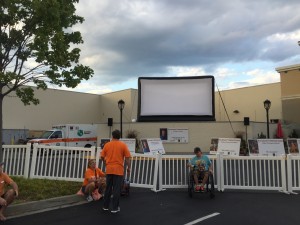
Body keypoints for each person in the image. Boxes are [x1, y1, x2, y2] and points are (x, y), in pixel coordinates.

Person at [101, 129, 131, 213]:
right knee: (116, 189)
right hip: (118, 170)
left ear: (112, 136)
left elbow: (102, 156)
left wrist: (105, 163)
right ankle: (115, 208)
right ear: (119, 136)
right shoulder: (123, 145)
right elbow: (127, 158)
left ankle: (105, 206)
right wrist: (129, 167)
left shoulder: (107, 145)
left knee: (108, 189)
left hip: (109, 169)